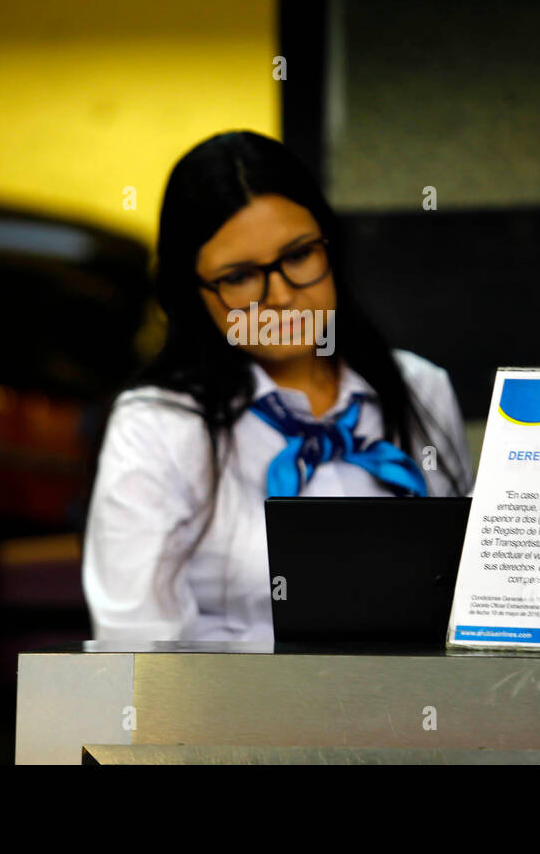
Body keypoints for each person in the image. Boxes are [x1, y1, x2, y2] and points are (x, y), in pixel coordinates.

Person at [82, 131, 473, 641]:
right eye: (241, 276)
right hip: (232, 719)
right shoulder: (157, 425)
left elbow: (472, 603)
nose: (282, 296)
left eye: (298, 255)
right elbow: (134, 651)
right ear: (191, 292)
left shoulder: (421, 389)